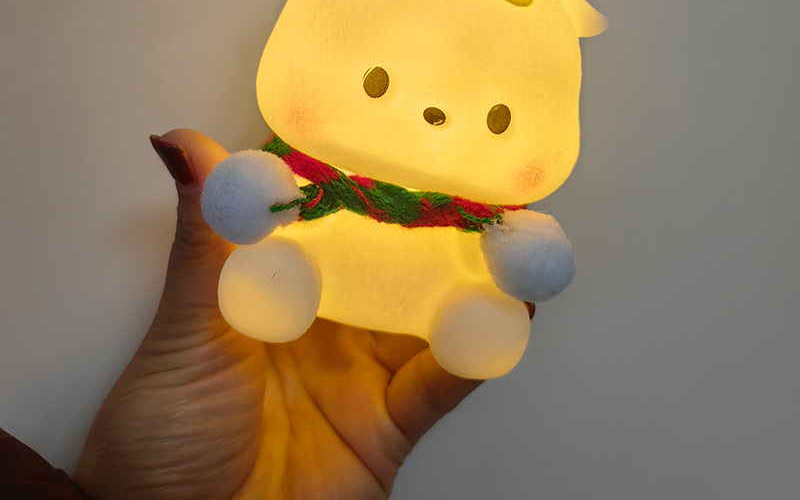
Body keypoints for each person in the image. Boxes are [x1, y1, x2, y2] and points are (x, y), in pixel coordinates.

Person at [1, 130, 534, 499]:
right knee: (271, 274)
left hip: (441, 281)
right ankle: (282, 285)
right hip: (307, 260)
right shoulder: (308, 174)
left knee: (486, 325)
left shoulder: (482, 210)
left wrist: (530, 254)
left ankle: (467, 320)